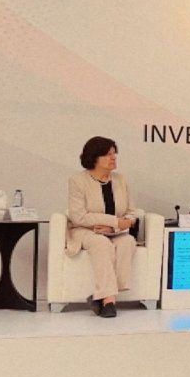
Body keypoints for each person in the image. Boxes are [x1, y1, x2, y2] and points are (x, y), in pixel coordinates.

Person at [67, 136, 137, 318]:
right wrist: (114, 221)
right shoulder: (77, 181)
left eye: (114, 153)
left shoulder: (121, 180)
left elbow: (131, 213)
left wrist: (115, 228)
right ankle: (108, 301)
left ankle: (102, 296)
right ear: (94, 157)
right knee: (101, 243)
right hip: (85, 230)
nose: (113, 158)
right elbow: (79, 216)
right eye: (107, 154)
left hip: (115, 231)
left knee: (128, 242)